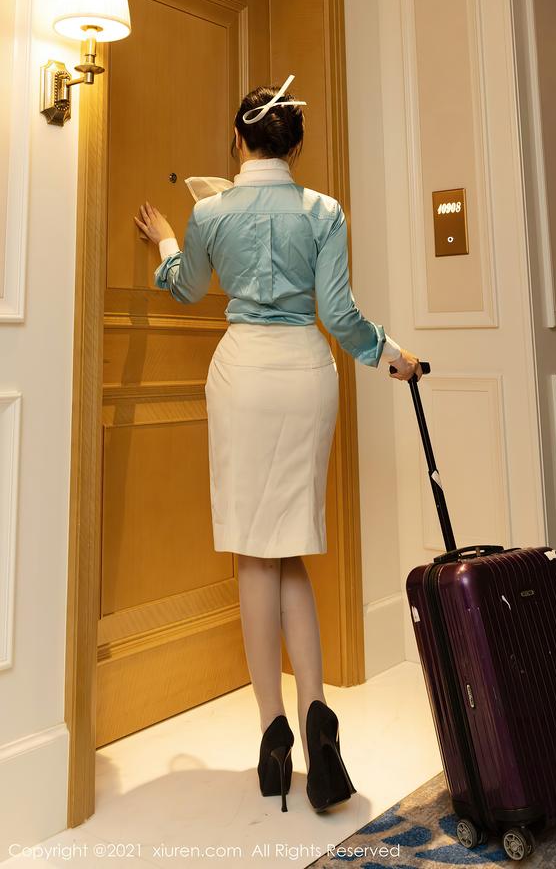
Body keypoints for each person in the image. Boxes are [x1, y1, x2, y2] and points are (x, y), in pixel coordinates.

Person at [133, 76, 423, 815]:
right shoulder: (324, 211)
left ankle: (272, 735)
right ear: (294, 145)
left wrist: (166, 242)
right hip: (305, 375)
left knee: (255, 553)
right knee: (289, 544)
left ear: (238, 139)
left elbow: (185, 287)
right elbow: (340, 314)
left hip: (243, 376)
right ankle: (318, 713)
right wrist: (393, 356)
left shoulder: (211, 211)